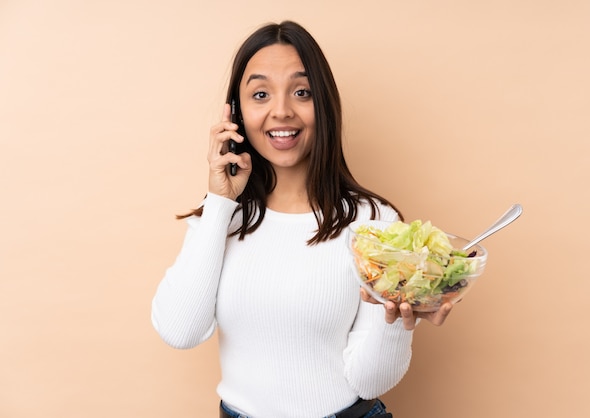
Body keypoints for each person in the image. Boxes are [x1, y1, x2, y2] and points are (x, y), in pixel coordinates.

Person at [151, 20, 453, 418]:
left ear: (323, 104)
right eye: (261, 94)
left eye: (302, 92)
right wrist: (220, 203)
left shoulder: (374, 221)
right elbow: (180, 330)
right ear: (236, 114)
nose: (281, 111)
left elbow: (370, 381)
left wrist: (396, 318)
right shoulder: (220, 218)